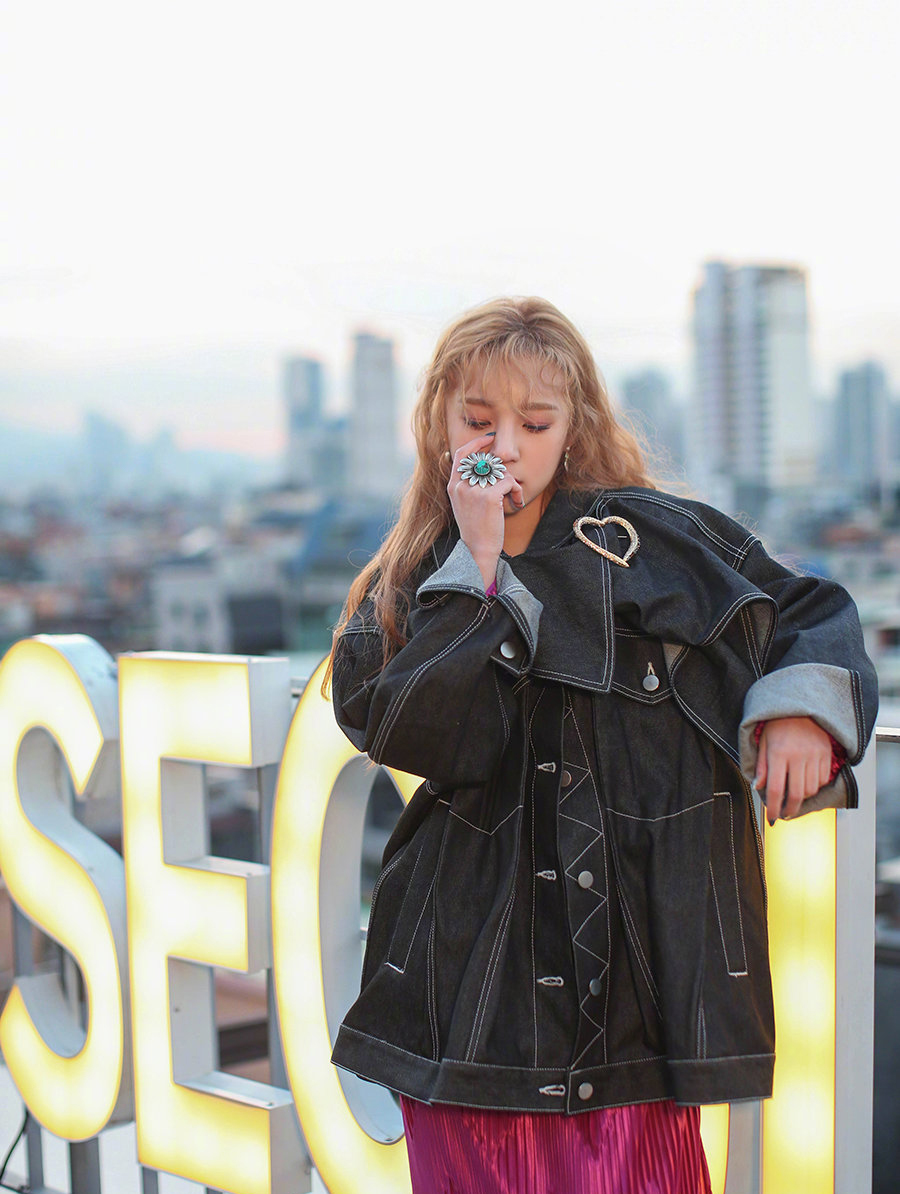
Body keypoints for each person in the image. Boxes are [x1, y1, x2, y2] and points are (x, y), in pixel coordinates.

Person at [325, 296, 878, 1194]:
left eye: (534, 422)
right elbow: (412, 731)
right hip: (469, 1012)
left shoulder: (648, 537)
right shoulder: (409, 579)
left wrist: (801, 709)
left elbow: (807, 609)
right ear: (439, 429)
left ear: (572, 428)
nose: (505, 445)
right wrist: (478, 568)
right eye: (479, 420)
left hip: (635, 1009)